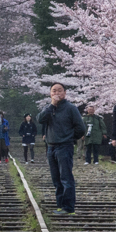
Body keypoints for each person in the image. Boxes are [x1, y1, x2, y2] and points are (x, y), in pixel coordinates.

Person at [38, 83, 86, 215]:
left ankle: (68, 207)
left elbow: (81, 128)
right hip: (51, 147)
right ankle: (60, 205)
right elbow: (40, 119)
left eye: (59, 90)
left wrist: (69, 138)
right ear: (50, 93)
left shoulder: (71, 108)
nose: (57, 93)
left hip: (64, 146)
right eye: (54, 91)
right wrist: (52, 105)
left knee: (66, 177)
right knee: (56, 178)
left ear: (65, 93)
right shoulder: (48, 108)